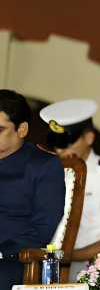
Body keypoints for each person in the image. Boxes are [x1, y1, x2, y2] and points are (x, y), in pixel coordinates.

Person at [39, 98, 100, 279]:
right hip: (49, 271)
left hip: (91, 274)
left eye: (66, 141)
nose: (60, 149)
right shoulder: (51, 173)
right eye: (56, 141)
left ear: (89, 137)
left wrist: (64, 256)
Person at [0, 89, 65, 290]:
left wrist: (3, 251)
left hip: (13, 261)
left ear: (22, 129)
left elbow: (43, 229)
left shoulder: (44, 166)